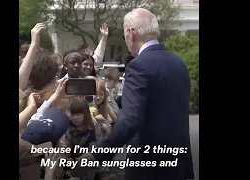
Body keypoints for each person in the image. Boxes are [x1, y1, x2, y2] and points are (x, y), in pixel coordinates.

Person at [75, 8, 194, 180]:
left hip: (149, 166)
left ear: (131, 33)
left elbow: (130, 119)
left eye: (124, 37)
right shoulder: (179, 63)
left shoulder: (138, 66)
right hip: (179, 162)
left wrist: (98, 154)